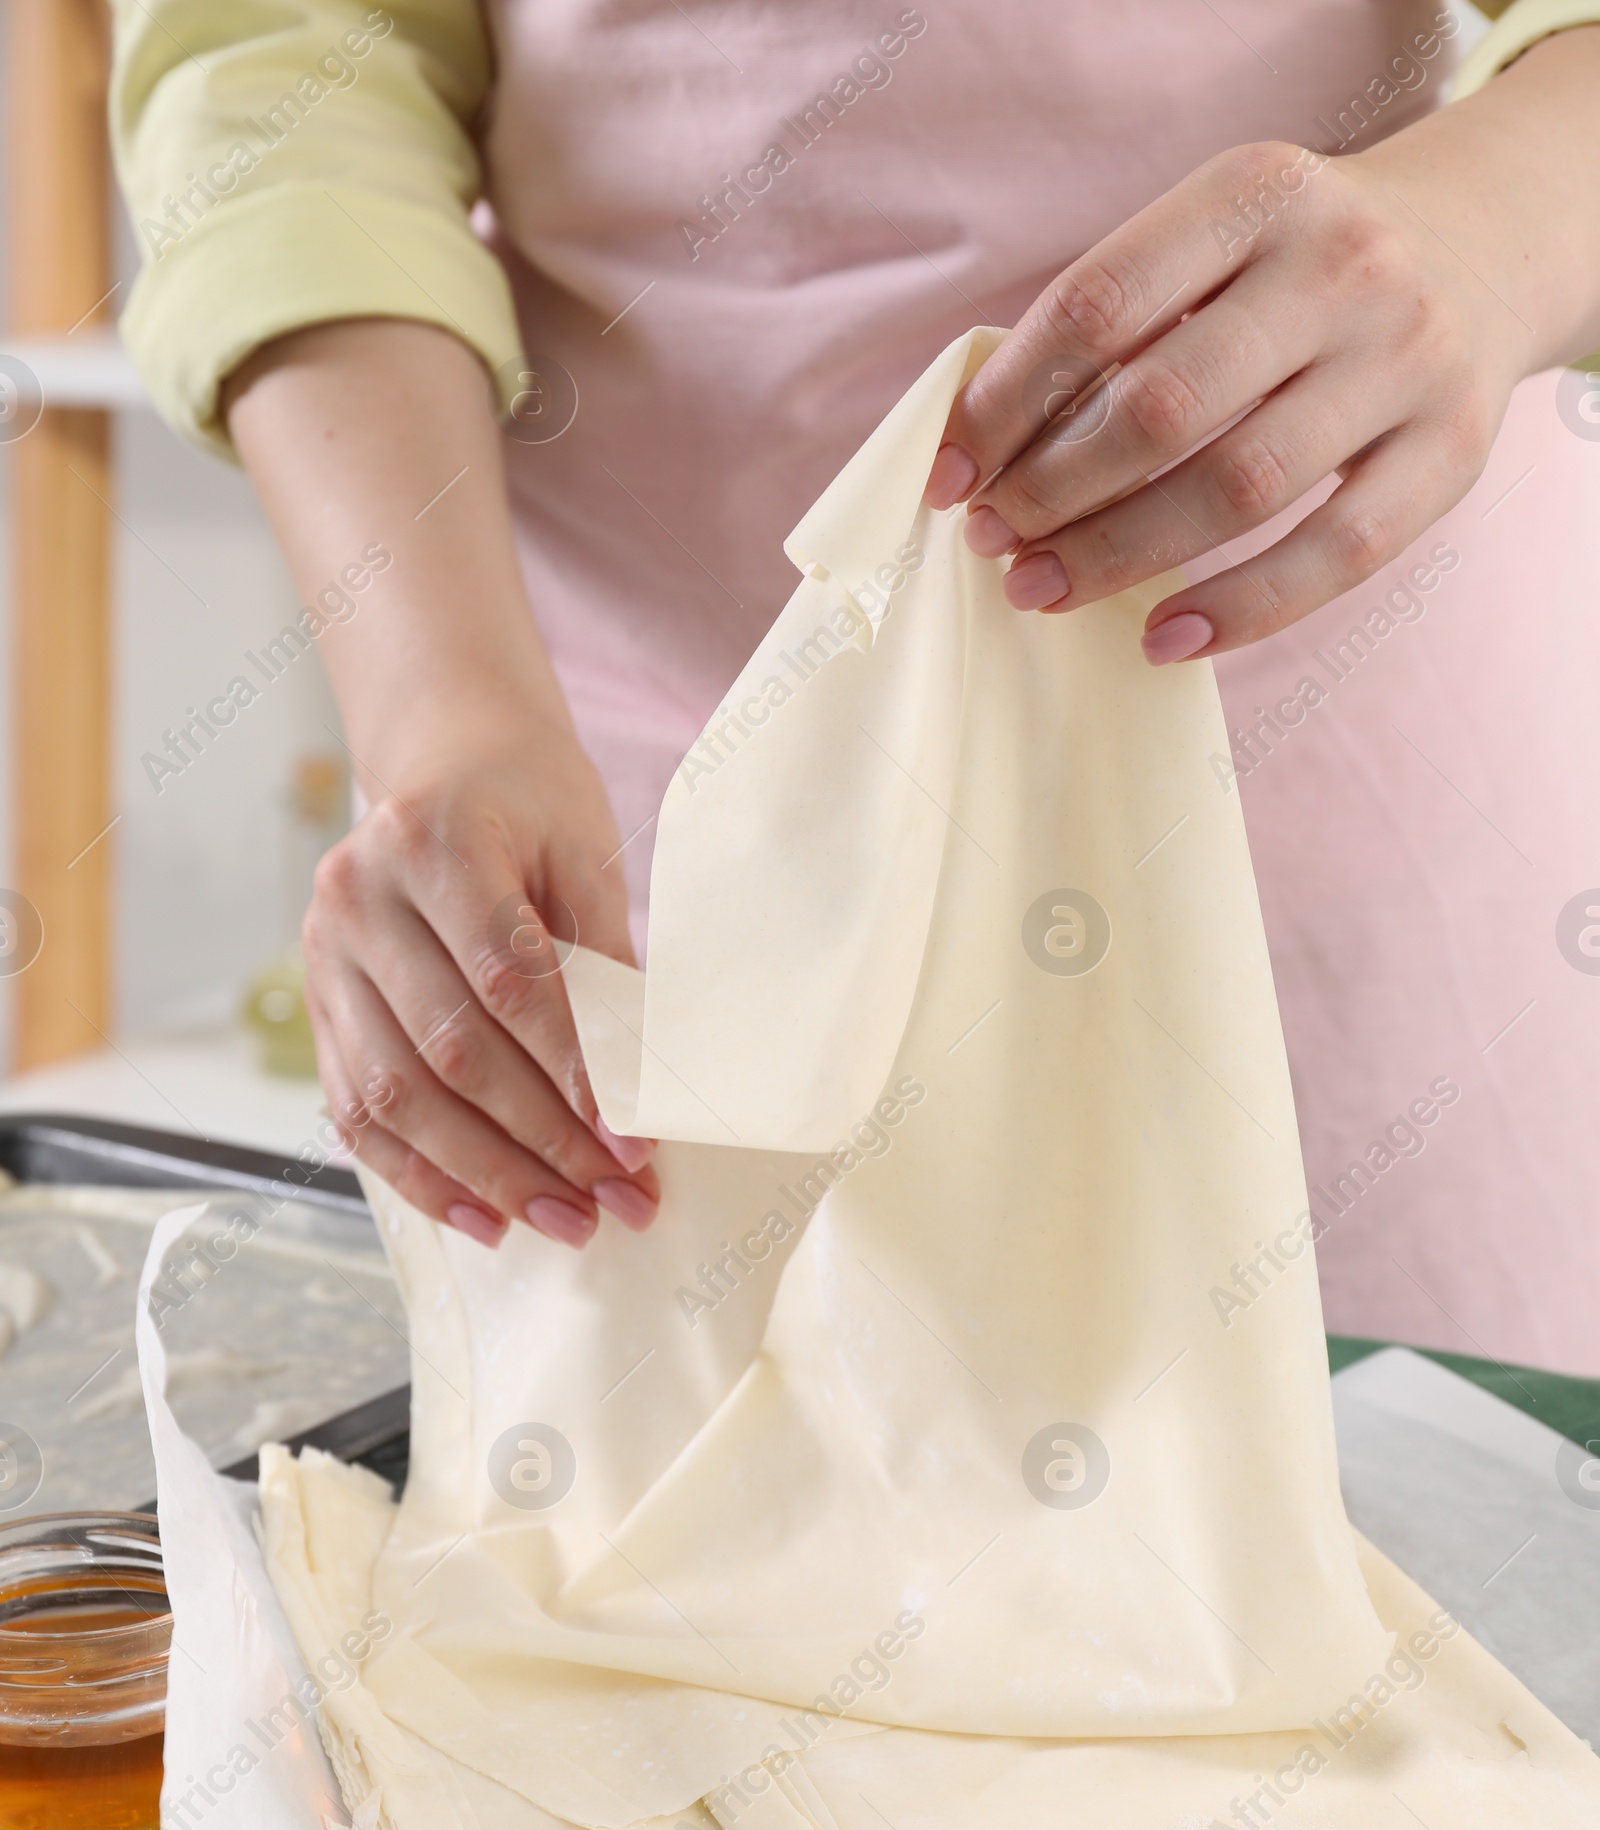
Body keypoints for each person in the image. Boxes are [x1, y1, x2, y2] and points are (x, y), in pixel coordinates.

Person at [112, 0, 1600, 1372]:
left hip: (1349, 851)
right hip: (644, 867)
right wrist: (444, 713)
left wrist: (1499, 216)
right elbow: (287, 68)